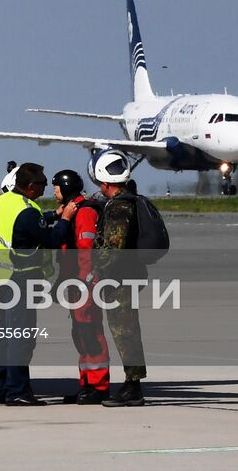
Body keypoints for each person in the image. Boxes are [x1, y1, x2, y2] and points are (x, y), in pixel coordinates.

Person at [0, 162, 76, 406]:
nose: (47, 187)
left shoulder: (6, 201)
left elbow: (25, 225)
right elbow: (53, 238)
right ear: (31, 187)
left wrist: (51, 215)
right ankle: (17, 391)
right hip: (17, 281)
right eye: (44, 184)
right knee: (20, 338)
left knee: (5, 336)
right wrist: (64, 218)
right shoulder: (28, 212)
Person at [90, 152, 148, 407]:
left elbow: (113, 246)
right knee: (127, 329)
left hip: (120, 279)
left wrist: (96, 272)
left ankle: (133, 385)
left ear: (105, 183)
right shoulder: (130, 200)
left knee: (124, 330)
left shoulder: (118, 206)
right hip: (129, 275)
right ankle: (132, 382)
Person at [53, 168, 110, 404]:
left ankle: (99, 385)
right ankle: (87, 382)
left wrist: (86, 282)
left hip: (84, 283)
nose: (54, 190)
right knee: (80, 332)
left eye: (56, 186)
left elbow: (86, 251)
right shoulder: (71, 210)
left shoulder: (84, 212)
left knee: (90, 331)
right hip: (74, 282)